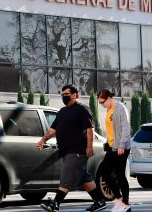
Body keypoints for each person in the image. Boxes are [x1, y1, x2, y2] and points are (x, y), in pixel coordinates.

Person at [37, 84, 106, 212]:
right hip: (66, 150)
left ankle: (55, 204)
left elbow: (90, 129)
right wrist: (43, 140)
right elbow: (53, 130)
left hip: (77, 150)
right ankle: (100, 201)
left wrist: (89, 147)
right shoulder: (62, 111)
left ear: (75, 95)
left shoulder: (82, 109)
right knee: (83, 177)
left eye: (66, 95)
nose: (64, 97)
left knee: (67, 175)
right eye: (62, 95)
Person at [97, 89, 132, 212]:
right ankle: (118, 200)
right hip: (112, 147)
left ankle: (125, 203)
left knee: (120, 174)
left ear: (109, 98)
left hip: (121, 148)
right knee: (105, 173)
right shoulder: (109, 109)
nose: (102, 105)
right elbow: (111, 129)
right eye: (100, 103)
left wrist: (122, 145)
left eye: (102, 102)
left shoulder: (120, 108)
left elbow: (126, 127)